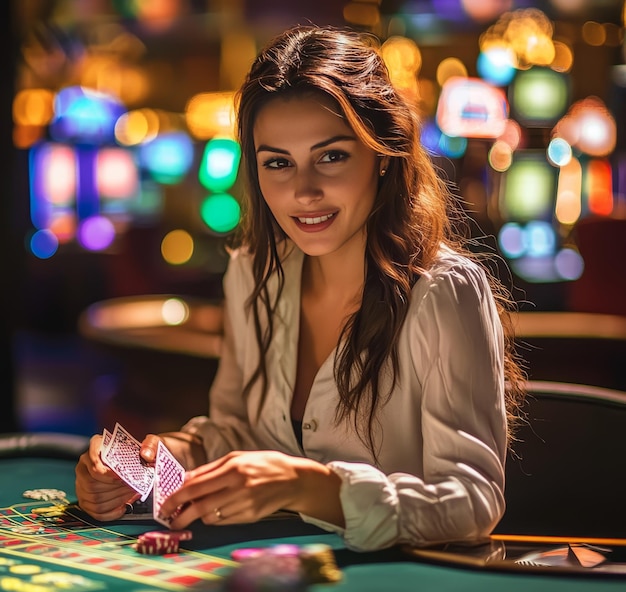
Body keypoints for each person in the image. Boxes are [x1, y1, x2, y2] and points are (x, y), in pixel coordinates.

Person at [75, 25, 525, 552]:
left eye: (331, 156)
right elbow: (237, 432)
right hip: (276, 575)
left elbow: (472, 501)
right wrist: (152, 462)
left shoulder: (444, 291)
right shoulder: (253, 271)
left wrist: (311, 486)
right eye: (278, 163)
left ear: (383, 153)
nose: (304, 191)